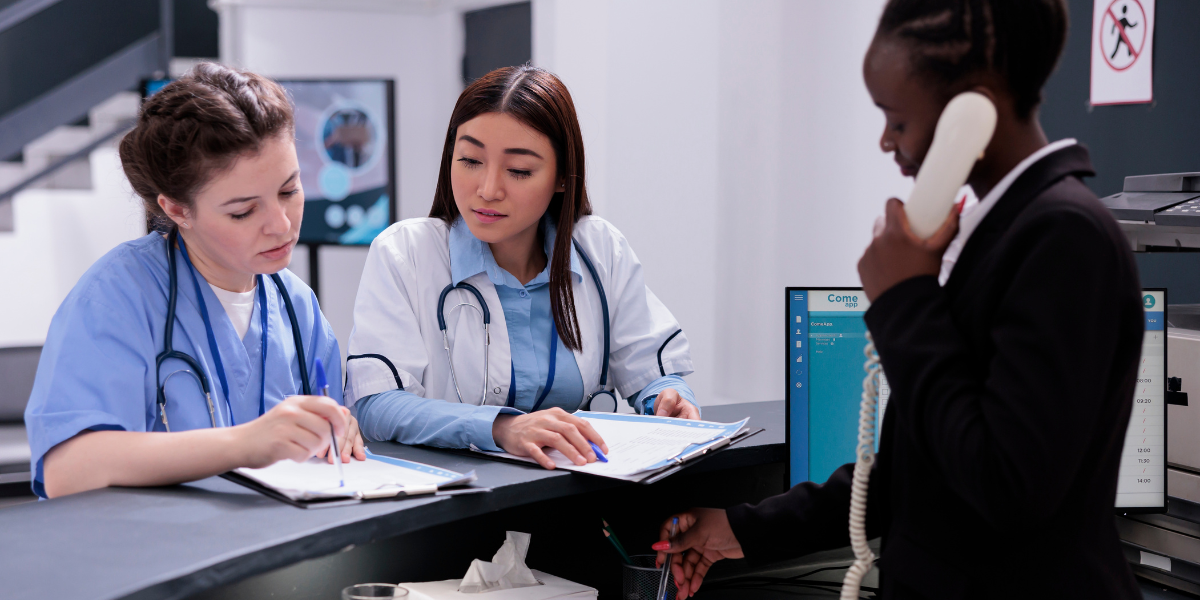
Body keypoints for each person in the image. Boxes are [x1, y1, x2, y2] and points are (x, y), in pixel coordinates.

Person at [652, 1, 1144, 598]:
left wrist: (905, 299)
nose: (886, 140)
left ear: (971, 112)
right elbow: (927, 465)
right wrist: (743, 527)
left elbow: (1005, 484)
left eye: (897, 119)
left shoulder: (1064, 237)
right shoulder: (994, 230)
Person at [24, 64, 364, 500]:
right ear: (179, 211)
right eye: (243, 211)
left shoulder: (296, 306)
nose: (281, 226)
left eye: (289, 190)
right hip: (156, 556)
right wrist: (246, 443)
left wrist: (334, 428)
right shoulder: (118, 296)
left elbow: (325, 428)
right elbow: (66, 470)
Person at [345, 66, 699, 470]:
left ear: (563, 178)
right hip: (454, 511)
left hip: (579, 501)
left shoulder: (599, 248)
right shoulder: (405, 253)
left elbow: (651, 368)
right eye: (470, 160)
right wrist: (502, 429)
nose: (488, 189)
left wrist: (669, 397)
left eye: (519, 171)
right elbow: (376, 405)